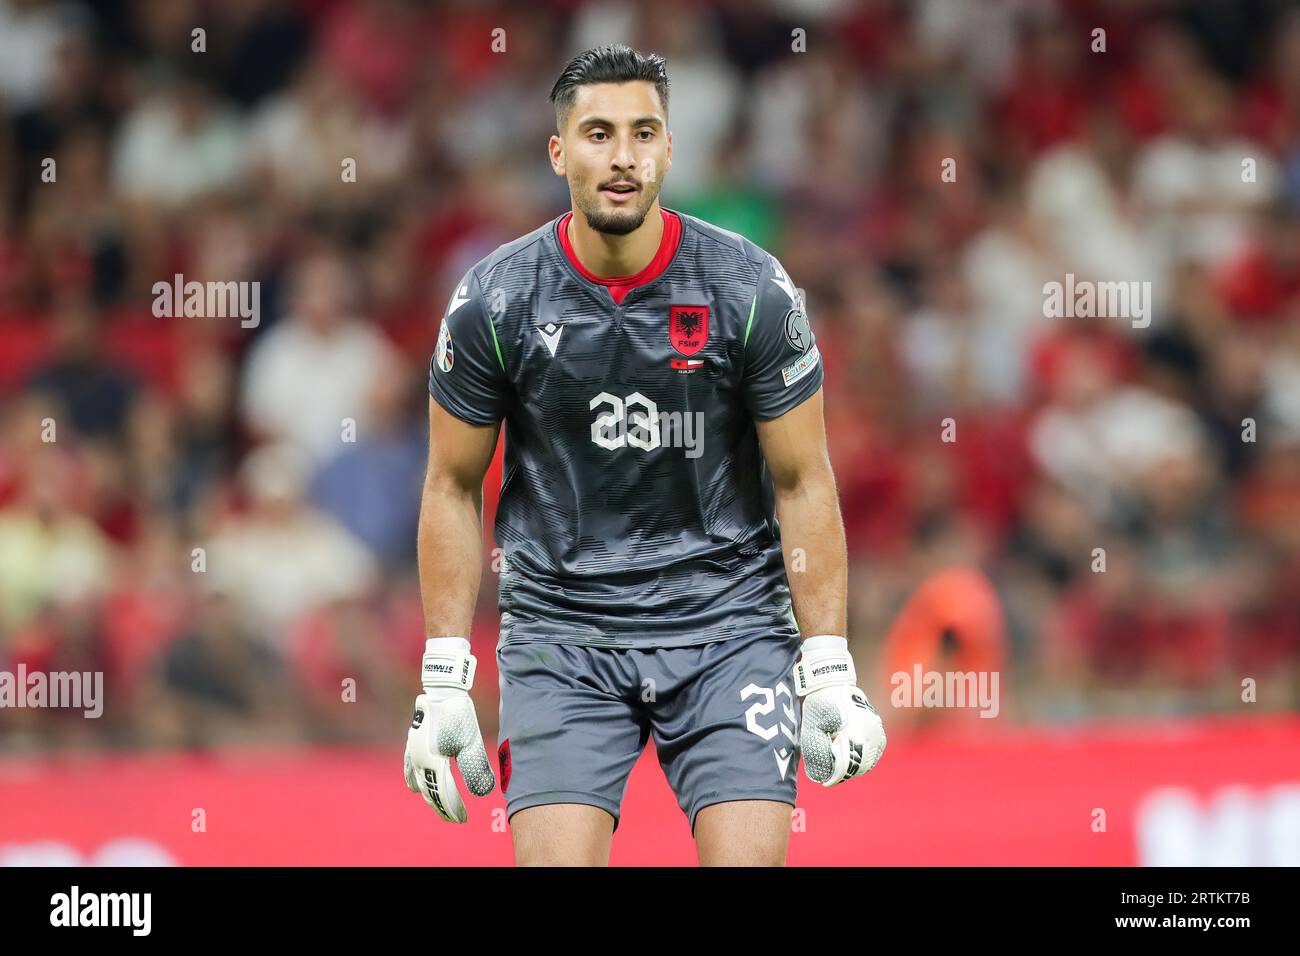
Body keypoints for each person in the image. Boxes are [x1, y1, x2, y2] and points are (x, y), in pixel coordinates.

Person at [403, 44, 885, 866]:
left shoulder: (750, 291)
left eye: (642, 132)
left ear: (669, 148)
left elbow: (805, 479)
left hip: (730, 625)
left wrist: (829, 659)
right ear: (558, 152)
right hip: (562, 636)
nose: (621, 156)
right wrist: (444, 673)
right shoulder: (494, 301)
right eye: (596, 133)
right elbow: (450, 484)